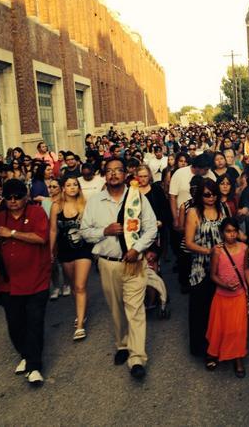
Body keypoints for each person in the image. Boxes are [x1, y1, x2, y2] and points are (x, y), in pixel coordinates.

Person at [80, 157, 157, 380]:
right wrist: (104, 231)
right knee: (116, 308)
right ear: (104, 175)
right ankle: (122, 344)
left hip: (134, 263)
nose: (114, 174)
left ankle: (137, 358)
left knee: (135, 309)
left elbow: (151, 228)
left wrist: (138, 248)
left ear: (126, 174)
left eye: (118, 170)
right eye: (109, 171)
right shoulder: (95, 201)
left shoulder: (137, 199)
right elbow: (84, 231)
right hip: (108, 263)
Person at [0, 179, 51, 386]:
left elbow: (41, 238)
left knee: (34, 322)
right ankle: (25, 354)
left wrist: (12, 233)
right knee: (15, 324)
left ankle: (35, 366)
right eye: (9, 197)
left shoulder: (37, 212)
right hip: (9, 282)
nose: (13, 201)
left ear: (25, 196)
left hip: (36, 279)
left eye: (17, 197)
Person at [206, 218, 249, 378]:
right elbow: (213, 275)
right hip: (222, 296)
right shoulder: (217, 251)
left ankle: (238, 358)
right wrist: (225, 285)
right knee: (220, 328)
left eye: (234, 231)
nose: (232, 234)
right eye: (228, 231)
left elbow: (246, 270)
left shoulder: (243, 248)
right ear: (222, 233)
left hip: (239, 295)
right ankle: (214, 353)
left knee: (238, 329)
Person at [185, 178, 225, 358]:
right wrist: (209, 251)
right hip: (200, 267)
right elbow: (189, 243)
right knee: (201, 309)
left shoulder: (223, 209)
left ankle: (220, 345)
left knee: (220, 309)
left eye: (214, 194)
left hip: (221, 267)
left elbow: (229, 231)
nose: (211, 198)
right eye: (207, 195)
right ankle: (202, 347)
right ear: (200, 195)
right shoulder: (193, 212)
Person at [50, 176, 93, 341]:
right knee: (74, 287)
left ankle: (80, 324)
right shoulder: (56, 206)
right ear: (63, 188)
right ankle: (81, 311)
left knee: (80, 285)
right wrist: (50, 252)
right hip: (65, 250)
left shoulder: (85, 204)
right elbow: (53, 230)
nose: (72, 187)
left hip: (84, 249)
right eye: (68, 185)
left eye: (75, 184)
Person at [169, 153, 215, 232]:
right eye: (205, 169)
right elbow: (172, 197)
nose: (207, 171)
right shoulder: (179, 173)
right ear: (197, 167)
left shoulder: (210, 175)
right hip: (182, 216)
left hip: (204, 218)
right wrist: (175, 218)